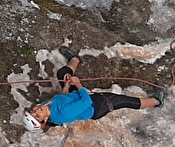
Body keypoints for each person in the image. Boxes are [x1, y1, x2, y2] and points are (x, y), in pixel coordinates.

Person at [22, 47, 164, 133]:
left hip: (75, 97)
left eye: (33, 111)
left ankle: (75, 59)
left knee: (62, 74)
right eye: (37, 115)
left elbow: (61, 99)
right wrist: (78, 84)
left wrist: (66, 87)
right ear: (45, 120)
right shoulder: (64, 113)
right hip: (95, 105)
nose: (37, 110)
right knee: (124, 101)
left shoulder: (45, 107)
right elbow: (87, 101)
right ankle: (157, 101)